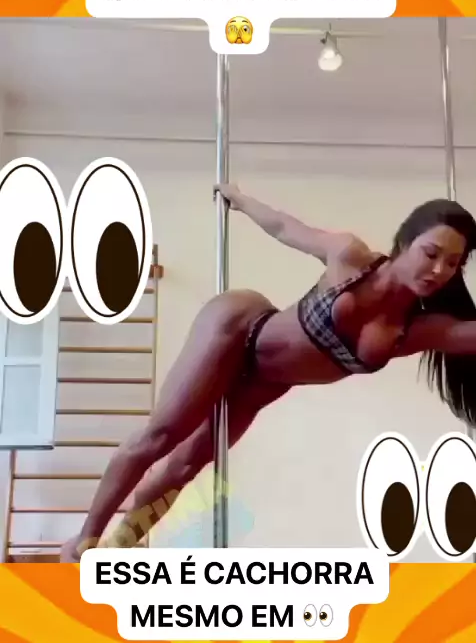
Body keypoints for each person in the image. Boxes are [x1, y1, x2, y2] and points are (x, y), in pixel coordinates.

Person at [60, 186, 476, 561]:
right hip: (237, 331)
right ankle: (84, 541)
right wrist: (240, 200)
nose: (439, 270)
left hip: (262, 385)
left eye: (453, 263)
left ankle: (116, 548)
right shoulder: (350, 257)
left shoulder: (414, 330)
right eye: (431, 253)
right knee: (162, 436)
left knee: (184, 467)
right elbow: (285, 227)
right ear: (405, 242)